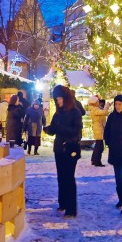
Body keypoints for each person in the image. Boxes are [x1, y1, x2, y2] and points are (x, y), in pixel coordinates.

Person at [44, 85, 83, 218]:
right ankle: (63, 203)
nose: (58, 101)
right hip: (59, 149)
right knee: (61, 177)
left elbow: (75, 131)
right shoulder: (58, 112)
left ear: (65, 98)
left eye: (59, 98)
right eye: (56, 99)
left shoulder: (75, 112)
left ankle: (71, 209)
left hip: (70, 149)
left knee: (69, 178)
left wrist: (60, 129)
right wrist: (48, 129)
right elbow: (55, 128)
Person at [88, 95, 108, 167]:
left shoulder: (96, 108)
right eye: (97, 101)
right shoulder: (94, 109)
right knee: (99, 146)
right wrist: (106, 106)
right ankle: (97, 161)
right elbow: (104, 112)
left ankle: (94, 160)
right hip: (98, 128)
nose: (99, 102)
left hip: (99, 127)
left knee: (98, 145)